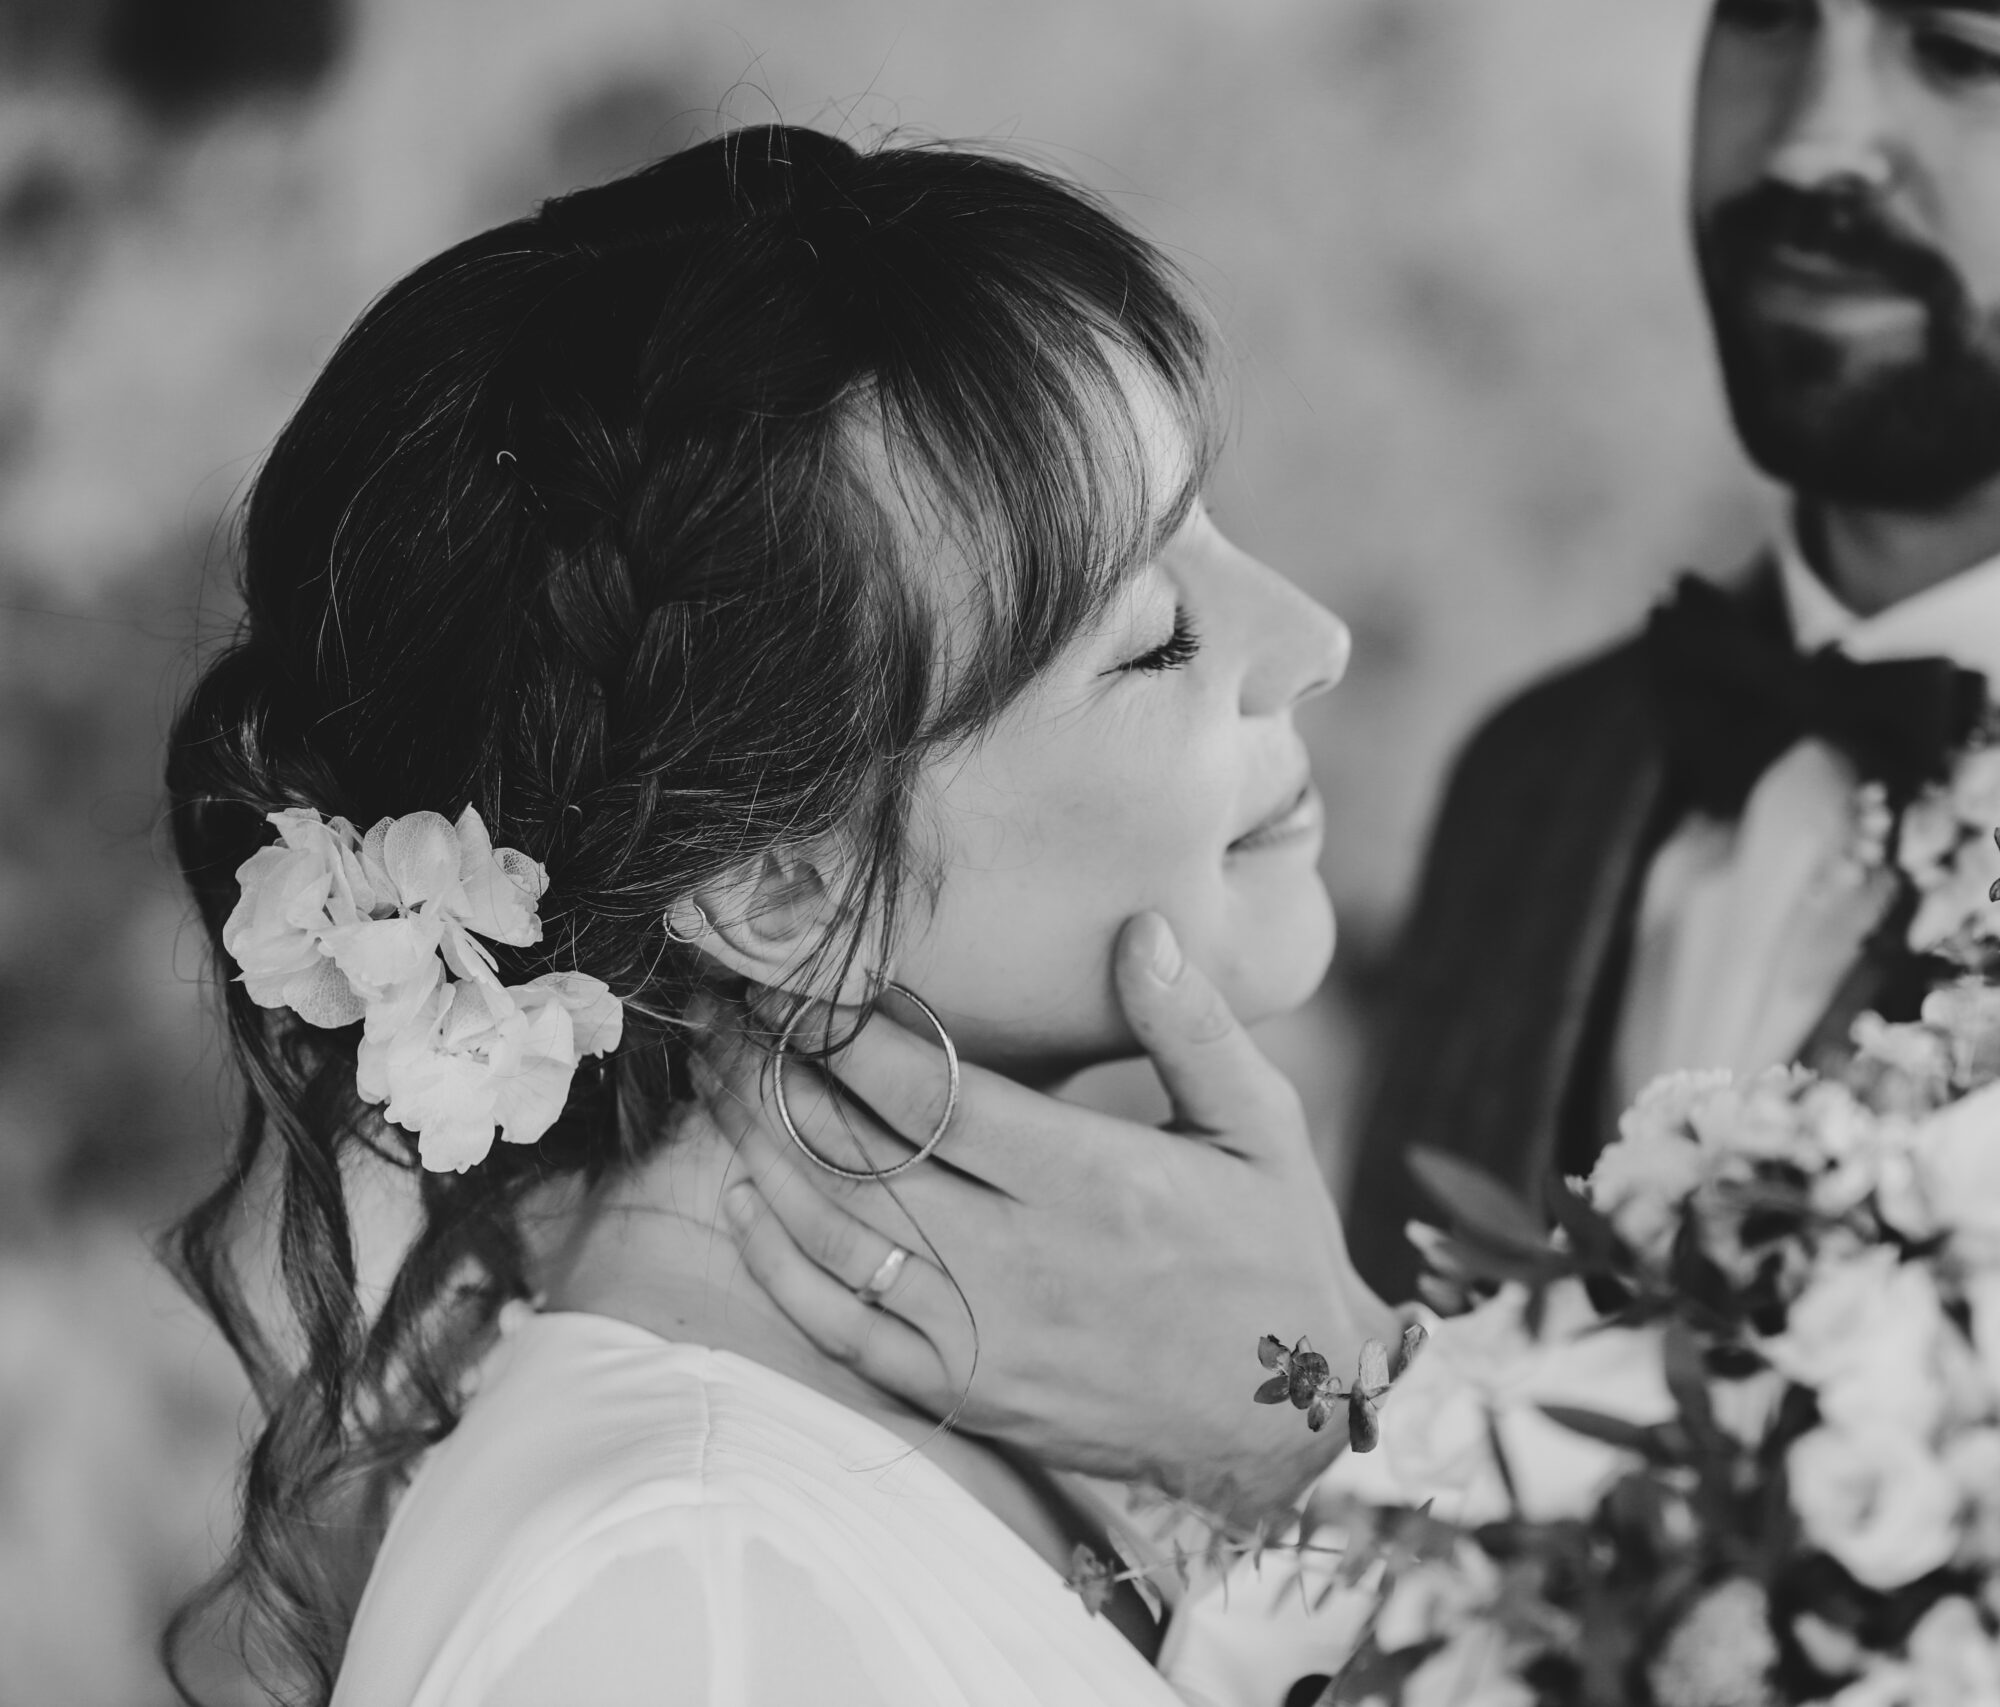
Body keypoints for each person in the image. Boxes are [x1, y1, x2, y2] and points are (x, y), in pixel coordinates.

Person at [710, 0, 2000, 1533]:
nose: (1811, 136)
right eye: (1764, 17)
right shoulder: (1548, 780)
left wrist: (1320, 1417)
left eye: (1970, 50)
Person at [163, 125, 1375, 1707]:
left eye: (1213, 531)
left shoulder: (1078, 1389)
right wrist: (1347, 1430)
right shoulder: (685, 1587)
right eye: (1154, 638)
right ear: (772, 890)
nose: (1315, 641)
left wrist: (1319, 1412)